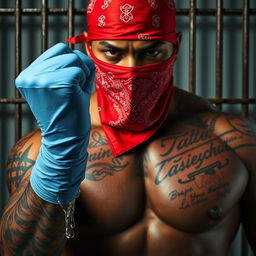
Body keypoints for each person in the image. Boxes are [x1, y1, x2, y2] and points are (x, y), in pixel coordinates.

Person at [0, 0, 256, 255]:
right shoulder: (40, 149)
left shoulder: (233, 139)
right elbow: (22, 253)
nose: (131, 70)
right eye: (112, 52)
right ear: (89, 47)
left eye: (151, 52)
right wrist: (59, 152)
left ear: (175, 46)